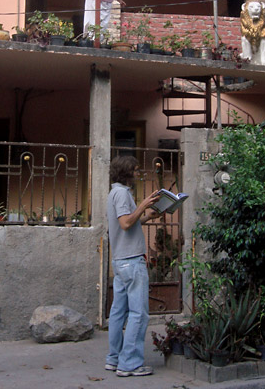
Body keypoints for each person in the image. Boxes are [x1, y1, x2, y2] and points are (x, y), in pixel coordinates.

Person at [105, 155, 162, 377]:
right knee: (138, 313)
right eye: (136, 171)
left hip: (121, 261)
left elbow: (130, 221)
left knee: (118, 312)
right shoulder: (121, 193)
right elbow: (125, 223)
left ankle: (114, 358)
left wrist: (146, 216)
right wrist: (142, 205)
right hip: (131, 261)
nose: (138, 175)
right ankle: (129, 364)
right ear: (126, 173)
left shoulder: (116, 193)